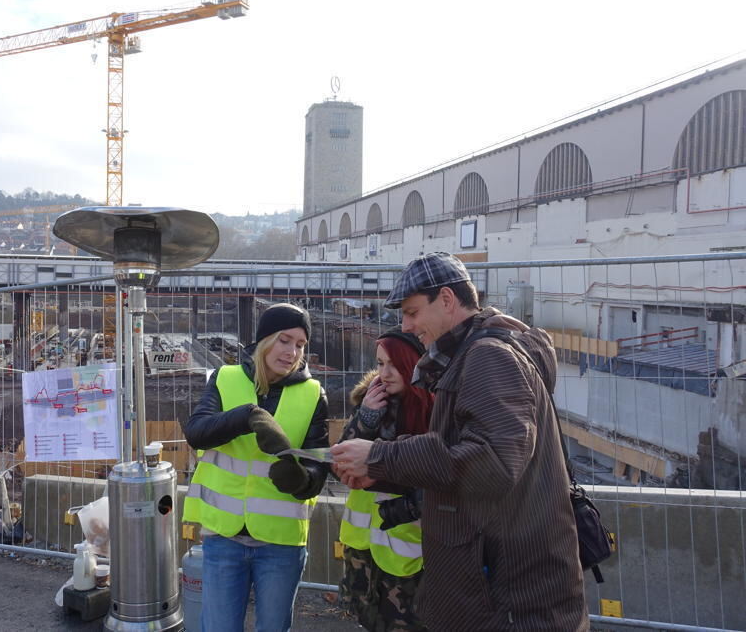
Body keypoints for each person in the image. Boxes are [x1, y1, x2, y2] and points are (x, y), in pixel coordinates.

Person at [331, 252, 588, 631]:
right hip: (503, 592)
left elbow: (493, 463)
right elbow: (472, 461)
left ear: (447, 299)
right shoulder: (477, 355)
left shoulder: (487, 358)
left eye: (413, 312)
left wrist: (382, 457)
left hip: (508, 603)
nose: (406, 325)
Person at [182, 303, 330, 632]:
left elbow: (318, 469)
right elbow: (197, 432)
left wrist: (301, 480)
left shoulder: (313, 394)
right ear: (264, 340)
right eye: (284, 340)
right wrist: (245, 416)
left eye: (300, 345)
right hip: (225, 536)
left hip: (281, 542)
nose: (292, 352)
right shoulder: (225, 378)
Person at [336, 330, 432, 632]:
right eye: (380, 363)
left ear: (414, 365)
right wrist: (364, 419)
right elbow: (339, 461)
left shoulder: (435, 409)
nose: (385, 373)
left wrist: (378, 476)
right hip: (362, 550)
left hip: (408, 554)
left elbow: (439, 477)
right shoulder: (371, 402)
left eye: (394, 364)